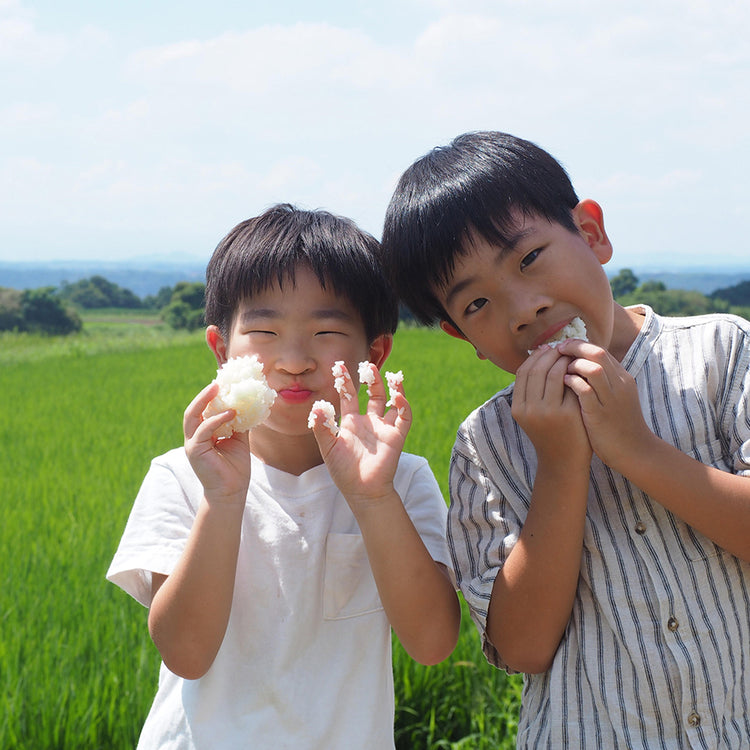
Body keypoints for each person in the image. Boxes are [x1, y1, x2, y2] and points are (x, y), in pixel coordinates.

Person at [378, 131, 750, 748]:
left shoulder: (724, 354)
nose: (522, 309)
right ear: (458, 335)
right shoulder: (487, 446)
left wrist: (636, 449)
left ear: (592, 233)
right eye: (476, 304)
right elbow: (521, 646)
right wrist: (559, 464)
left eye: (529, 259)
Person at [107, 203, 460, 749]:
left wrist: (372, 500)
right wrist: (222, 501)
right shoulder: (183, 477)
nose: (294, 360)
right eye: (265, 331)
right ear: (222, 350)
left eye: (325, 331)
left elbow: (433, 641)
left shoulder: (401, 481)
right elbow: (186, 653)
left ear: (375, 352)